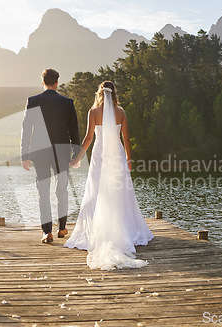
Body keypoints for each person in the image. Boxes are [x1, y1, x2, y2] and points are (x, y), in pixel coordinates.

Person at [65, 81, 154, 270]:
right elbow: (126, 137)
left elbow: (89, 137)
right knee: (119, 191)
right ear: (114, 94)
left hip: (99, 155)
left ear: (99, 93)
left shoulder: (93, 112)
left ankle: (98, 231)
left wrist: (77, 157)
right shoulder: (120, 112)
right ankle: (123, 230)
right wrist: (129, 159)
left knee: (97, 191)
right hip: (116, 156)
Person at [20, 68, 80, 243]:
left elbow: (26, 130)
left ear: (42, 82)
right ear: (57, 82)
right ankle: (62, 228)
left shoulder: (33, 101)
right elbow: (73, 130)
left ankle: (47, 232)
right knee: (62, 190)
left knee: (43, 193)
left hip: (40, 153)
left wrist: (25, 156)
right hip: (62, 152)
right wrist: (76, 155)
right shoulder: (67, 103)